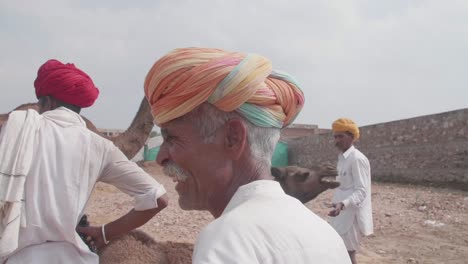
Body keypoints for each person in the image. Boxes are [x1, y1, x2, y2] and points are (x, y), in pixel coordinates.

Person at [144, 47, 351, 263]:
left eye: (172, 138)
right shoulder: (326, 235)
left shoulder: (225, 243)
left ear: (233, 139)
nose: (160, 157)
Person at [0, 59, 168, 263]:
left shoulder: (12, 133)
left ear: (48, 102)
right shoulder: (101, 146)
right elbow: (159, 198)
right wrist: (105, 232)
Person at [328, 118, 374, 264]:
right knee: (337, 249)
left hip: (351, 214)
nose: (337, 140)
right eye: (335, 136)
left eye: (341, 136)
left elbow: (362, 191)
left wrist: (344, 203)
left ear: (351, 137)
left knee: (349, 253)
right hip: (339, 211)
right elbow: (343, 185)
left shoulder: (357, 159)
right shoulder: (341, 158)